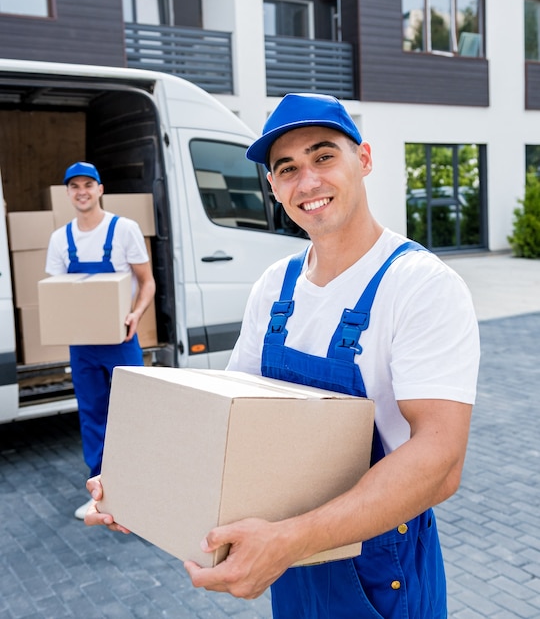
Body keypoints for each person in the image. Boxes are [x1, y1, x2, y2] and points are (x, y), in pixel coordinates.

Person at [85, 94, 480, 618]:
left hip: (381, 564)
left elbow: (440, 462)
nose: (308, 182)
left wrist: (293, 538)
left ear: (363, 159)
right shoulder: (276, 287)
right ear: (272, 187)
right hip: (291, 563)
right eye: (287, 168)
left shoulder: (421, 286)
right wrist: (146, 490)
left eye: (323, 157)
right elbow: (230, 423)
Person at [46, 161, 156, 520]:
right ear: (68, 193)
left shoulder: (124, 230)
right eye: (74, 186)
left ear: (100, 189)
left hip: (121, 338)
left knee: (132, 414)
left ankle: (140, 489)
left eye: (88, 185)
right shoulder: (60, 239)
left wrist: (136, 315)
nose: (81, 191)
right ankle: (101, 492)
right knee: (93, 416)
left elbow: (147, 281)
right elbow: (59, 294)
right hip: (82, 345)